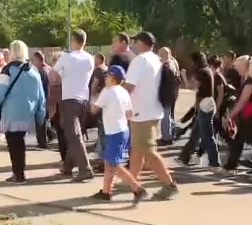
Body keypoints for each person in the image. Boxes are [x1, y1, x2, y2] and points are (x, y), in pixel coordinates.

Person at [125, 32, 179, 199]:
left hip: (142, 113)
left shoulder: (140, 61)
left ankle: (170, 185)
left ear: (142, 43)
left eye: (136, 41)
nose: (133, 45)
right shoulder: (155, 59)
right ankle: (133, 184)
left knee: (148, 151)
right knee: (137, 152)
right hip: (151, 111)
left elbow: (129, 86)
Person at [0, 40, 45, 184]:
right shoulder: (33, 70)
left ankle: (18, 174)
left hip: (11, 113)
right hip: (28, 113)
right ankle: (20, 173)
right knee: (20, 142)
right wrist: (41, 114)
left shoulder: (8, 70)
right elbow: (40, 94)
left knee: (13, 144)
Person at [91, 65, 147, 203]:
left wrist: (92, 96)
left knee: (113, 164)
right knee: (109, 163)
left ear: (113, 77)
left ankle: (136, 188)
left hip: (113, 132)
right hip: (123, 131)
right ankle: (105, 191)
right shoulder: (123, 92)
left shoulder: (107, 91)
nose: (105, 78)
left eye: (108, 76)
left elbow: (94, 109)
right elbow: (129, 114)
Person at [52, 29, 96, 182]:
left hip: (70, 99)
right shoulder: (90, 59)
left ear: (73, 40)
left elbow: (53, 77)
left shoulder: (67, 57)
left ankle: (85, 168)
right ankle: (68, 167)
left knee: (74, 135)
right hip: (84, 99)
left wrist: (63, 76)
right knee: (74, 135)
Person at [224, 56, 252, 175]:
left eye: (239, 66)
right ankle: (233, 166)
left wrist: (231, 115)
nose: (237, 68)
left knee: (251, 142)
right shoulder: (249, 80)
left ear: (245, 67)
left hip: (251, 115)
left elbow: (242, 101)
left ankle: (233, 166)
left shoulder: (250, 82)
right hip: (250, 115)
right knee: (247, 142)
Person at [178, 52, 222, 170]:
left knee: (207, 135)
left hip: (204, 104)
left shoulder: (202, 72)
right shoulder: (206, 70)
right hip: (206, 104)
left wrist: (184, 76)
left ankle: (215, 163)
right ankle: (184, 157)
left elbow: (191, 86)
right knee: (195, 133)